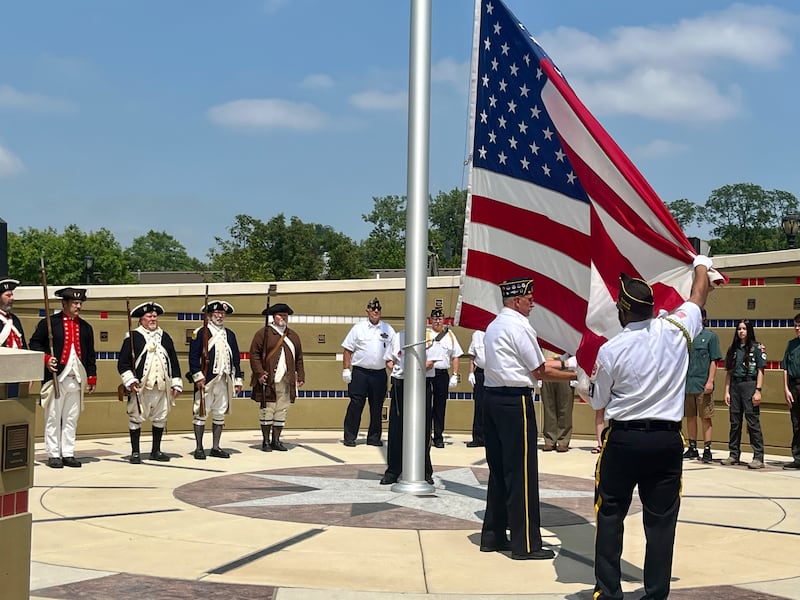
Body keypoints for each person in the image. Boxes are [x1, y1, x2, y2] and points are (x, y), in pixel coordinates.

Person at [590, 258, 716, 600]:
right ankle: (656, 593)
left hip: (625, 438)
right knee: (661, 522)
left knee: (611, 513)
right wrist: (701, 264)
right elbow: (699, 295)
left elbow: (598, 398)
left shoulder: (611, 349)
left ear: (622, 311)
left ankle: (608, 591)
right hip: (666, 439)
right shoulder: (677, 329)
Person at [479, 276, 577, 561]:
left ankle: (493, 535)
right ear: (516, 301)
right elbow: (540, 371)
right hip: (514, 402)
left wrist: (568, 363)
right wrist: (576, 376)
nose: (533, 303)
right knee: (521, 473)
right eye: (529, 298)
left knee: (498, 471)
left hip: (492, 399)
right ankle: (526, 544)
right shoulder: (520, 327)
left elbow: (537, 364)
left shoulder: (495, 325)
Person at [30, 287, 97, 469]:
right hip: (56, 378)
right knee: (53, 417)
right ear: (64, 304)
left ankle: (67, 452)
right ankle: (53, 453)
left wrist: (91, 376)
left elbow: (90, 354)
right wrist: (45, 359)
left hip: (76, 378)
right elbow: (34, 343)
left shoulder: (86, 327)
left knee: (71, 418)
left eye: (80, 303)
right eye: (75, 303)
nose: (78, 306)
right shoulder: (50, 324)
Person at [118, 302, 182, 464]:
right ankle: (135, 452)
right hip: (141, 387)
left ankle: (156, 450)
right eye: (149, 316)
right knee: (136, 418)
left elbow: (173, 360)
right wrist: (130, 380)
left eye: (155, 316)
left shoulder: (165, 336)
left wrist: (176, 382)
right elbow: (123, 363)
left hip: (161, 386)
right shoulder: (133, 337)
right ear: (141, 319)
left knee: (160, 417)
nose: (153, 319)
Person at [380, 330, 444, 485]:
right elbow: (388, 359)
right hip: (400, 384)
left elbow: (431, 362)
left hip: (421, 383)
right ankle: (394, 470)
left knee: (423, 428)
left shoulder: (429, 336)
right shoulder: (399, 336)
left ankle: (424, 470)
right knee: (397, 428)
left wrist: (412, 371)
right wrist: (395, 369)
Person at [188, 300, 244, 460]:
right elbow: (193, 357)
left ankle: (215, 447)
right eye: (217, 313)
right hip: (207, 380)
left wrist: (238, 379)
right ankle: (199, 448)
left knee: (220, 413)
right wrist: (198, 376)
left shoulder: (230, 334)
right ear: (210, 315)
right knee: (201, 413)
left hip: (224, 380)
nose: (220, 316)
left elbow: (236, 359)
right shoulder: (200, 332)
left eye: (222, 313)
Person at [250, 302, 305, 452]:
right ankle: (266, 441)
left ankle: (276, 440)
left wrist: (300, 375)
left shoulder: (293, 335)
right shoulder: (263, 333)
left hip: (287, 380)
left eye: (285, 315)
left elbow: (298, 357)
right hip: (269, 379)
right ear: (274, 317)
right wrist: (260, 373)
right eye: (280, 315)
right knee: (267, 409)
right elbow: (254, 355)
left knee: (281, 410)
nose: (283, 318)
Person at [341, 297, 395, 447]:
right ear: (367, 311)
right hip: (360, 373)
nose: (375, 311)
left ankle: (374, 438)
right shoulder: (358, 328)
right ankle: (350, 436)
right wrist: (346, 369)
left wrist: (395, 367)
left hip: (379, 374)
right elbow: (347, 350)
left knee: (377, 406)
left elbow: (393, 352)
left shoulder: (387, 329)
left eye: (378, 309)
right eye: (372, 309)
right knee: (356, 404)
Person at [721, 319, 766, 469]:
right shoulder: (733, 349)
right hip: (735, 386)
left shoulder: (757, 347)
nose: (741, 331)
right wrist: (726, 391)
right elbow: (728, 372)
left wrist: (758, 391)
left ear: (749, 331)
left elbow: (761, 370)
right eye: (739, 328)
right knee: (735, 422)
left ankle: (758, 456)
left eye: (744, 329)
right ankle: (734, 454)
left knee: (752, 422)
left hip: (750, 385)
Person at [683, 308, 722, 463]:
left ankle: (707, 448)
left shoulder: (710, 337)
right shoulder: (687, 337)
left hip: (702, 383)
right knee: (690, 417)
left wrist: (710, 381)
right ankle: (692, 447)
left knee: (705, 417)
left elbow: (714, 360)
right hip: (688, 383)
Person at [426, 308, 463, 448]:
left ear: (443, 320)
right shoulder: (425, 333)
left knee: (440, 406)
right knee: (426, 406)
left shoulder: (450, 335)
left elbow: (456, 356)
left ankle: (438, 436)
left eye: (440, 318)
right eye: (435, 318)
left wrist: (454, 374)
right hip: (428, 374)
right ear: (431, 320)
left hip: (442, 374)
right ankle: (426, 435)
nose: (437, 321)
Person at [540, 350, 576, 452]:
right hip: (546, 367)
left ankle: (563, 441)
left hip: (565, 368)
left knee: (565, 406)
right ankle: (549, 440)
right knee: (548, 406)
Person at [781, 313, 800, 470]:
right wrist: (786, 389)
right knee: (796, 423)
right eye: (795, 325)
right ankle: (797, 457)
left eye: (799, 325)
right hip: (794, 386)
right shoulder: (791, 344)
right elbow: (785, 368)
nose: (797, 328)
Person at [466, 329, 486, 447]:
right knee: (479, 405)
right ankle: (478, 438)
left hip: (494, 373)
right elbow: (472, 356)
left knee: (492, 406)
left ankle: (490, 438)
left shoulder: (497, 331)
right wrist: (470, 372)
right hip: (480, 373)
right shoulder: (477, 334)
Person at [0, 278, 27, 350]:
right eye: (8, 296)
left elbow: (23, 345)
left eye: (12, 295)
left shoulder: (15, 319)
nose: (12, 298)